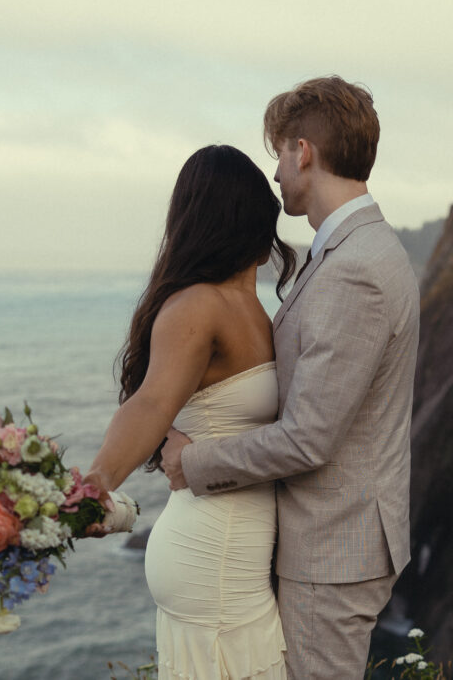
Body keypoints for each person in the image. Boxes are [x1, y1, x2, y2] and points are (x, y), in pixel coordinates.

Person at [160, 76, 420, 679]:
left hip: (335, 548)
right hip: (334, 539)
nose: (276, 175)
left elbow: (310, 438)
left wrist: (194, 461)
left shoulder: (355, 268)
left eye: (279, 153)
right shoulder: (347, 251)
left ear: (304, 151)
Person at [83, 144, 297, 679]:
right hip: (213, 560)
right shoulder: (199, 305)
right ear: (246, 215)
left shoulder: (251, 306)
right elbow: (152, 402)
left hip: (231, 561)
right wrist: (99, 480)